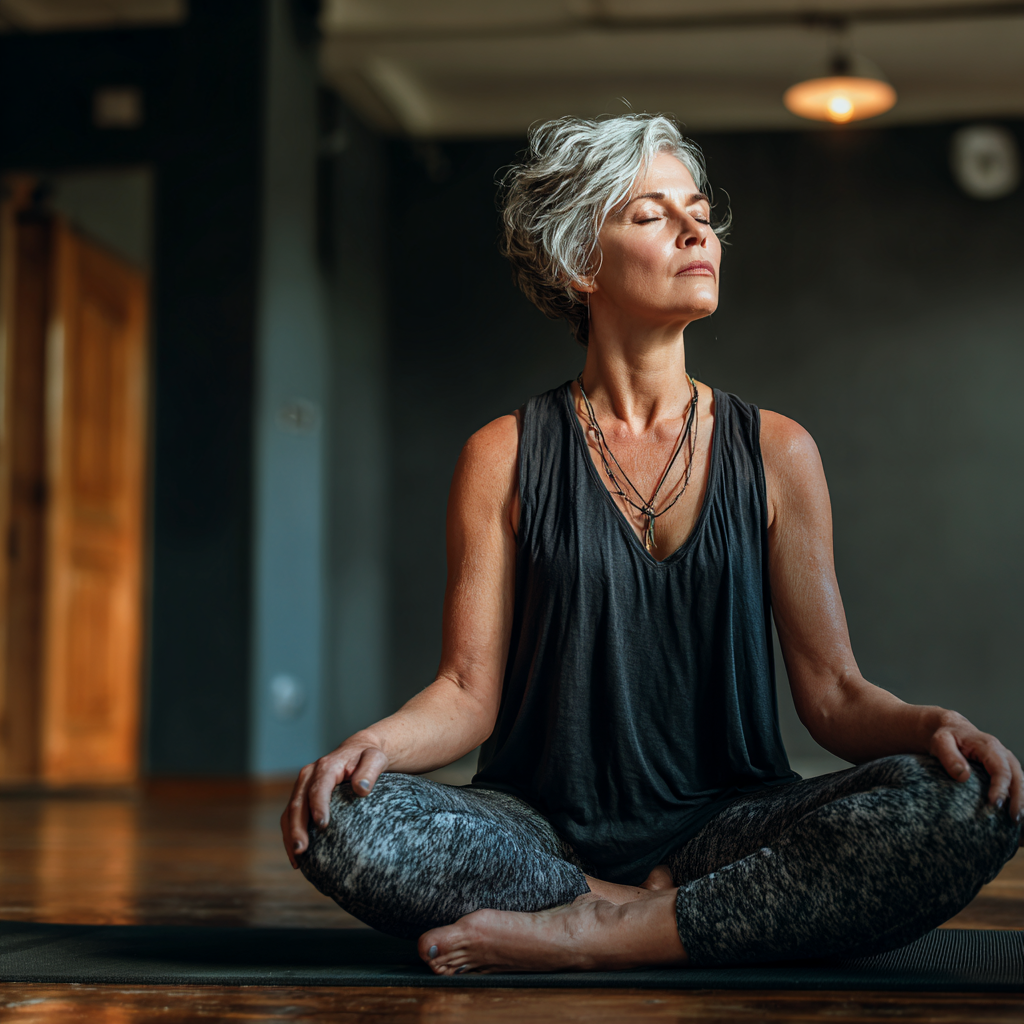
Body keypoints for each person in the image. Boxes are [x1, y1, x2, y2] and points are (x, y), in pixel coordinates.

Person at [280, 114, 1022, 975]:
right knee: (345, 818)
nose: (695, 228)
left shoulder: (778, 451)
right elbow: (465, 691)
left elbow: (834, 694)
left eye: (700, 210)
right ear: (577, 264)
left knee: (970, 803)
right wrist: (366, 748)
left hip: (732, 827)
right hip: (541, 831)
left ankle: (591, 934)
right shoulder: (504, 455)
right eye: (650, 214)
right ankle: (651, 914)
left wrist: (933, 725)